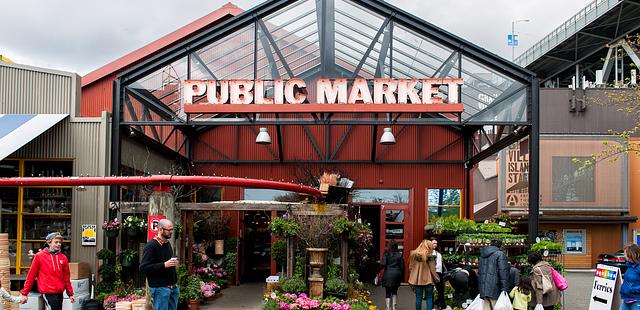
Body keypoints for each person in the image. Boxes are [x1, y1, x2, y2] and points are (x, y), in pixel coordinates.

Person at [20, 232, 75, 310]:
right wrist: (25, 293)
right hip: (48, 292)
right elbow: (31, 276)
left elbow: (66, 277)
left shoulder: (63, 258)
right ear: (49, 242)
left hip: (59, 292)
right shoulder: (39, 256)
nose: (58, 244)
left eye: (60, 242)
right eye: (56, 242)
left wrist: (70, 294)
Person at [140, 219, 179, 310]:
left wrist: (172, 263)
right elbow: (143, 268)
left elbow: (166, 263)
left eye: (172, 229)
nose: (171, 232)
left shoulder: (167, 243)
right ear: (161, 229)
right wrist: (164, 265)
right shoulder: (151, 246)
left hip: (172, 286)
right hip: (160, 288)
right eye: (169, 230)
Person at [478, 239, 509, 309]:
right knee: (497, 307)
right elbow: (503, 272)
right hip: (495, 287)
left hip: (483, 288)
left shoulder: (483, 255)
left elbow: (480, 272)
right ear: (500, 245)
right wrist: (504, 288)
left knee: (486, 307)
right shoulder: (500, 254)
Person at [409, 239, 438, 310]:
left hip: (418, 280)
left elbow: (410, 267)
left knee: (418, 297)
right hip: (428, 280)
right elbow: (433, 269)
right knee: (429, 297)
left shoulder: (414, 255)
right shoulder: (430, 256)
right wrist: (436, 278)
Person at [380, 241, 404, 310]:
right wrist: (402, 276)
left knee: (387, 291)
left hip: (387, 274)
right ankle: (394, 307)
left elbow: (383, 264)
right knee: (394, 291)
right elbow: (402, 267)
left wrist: (377, 270)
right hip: (397, 274)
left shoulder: (386, 254)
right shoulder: (400, 254)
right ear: (396, 246)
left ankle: (388, 308)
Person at [620, 243, 640, 309]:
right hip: (627, 299)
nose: (624, 256)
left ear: (632, 254)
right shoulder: (629, 266)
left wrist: (633, 289)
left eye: (625, 253)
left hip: (637, 300)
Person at [430, 238, 446, 310]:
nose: (435, 245)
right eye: (433, 243)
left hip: (439, 273)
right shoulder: (428, 253)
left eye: (436, 243)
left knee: (441, 290)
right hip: (432, 273)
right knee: (432, 291)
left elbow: (440, 265)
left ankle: (441, 305)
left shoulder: (438, 253)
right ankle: (433, 306)